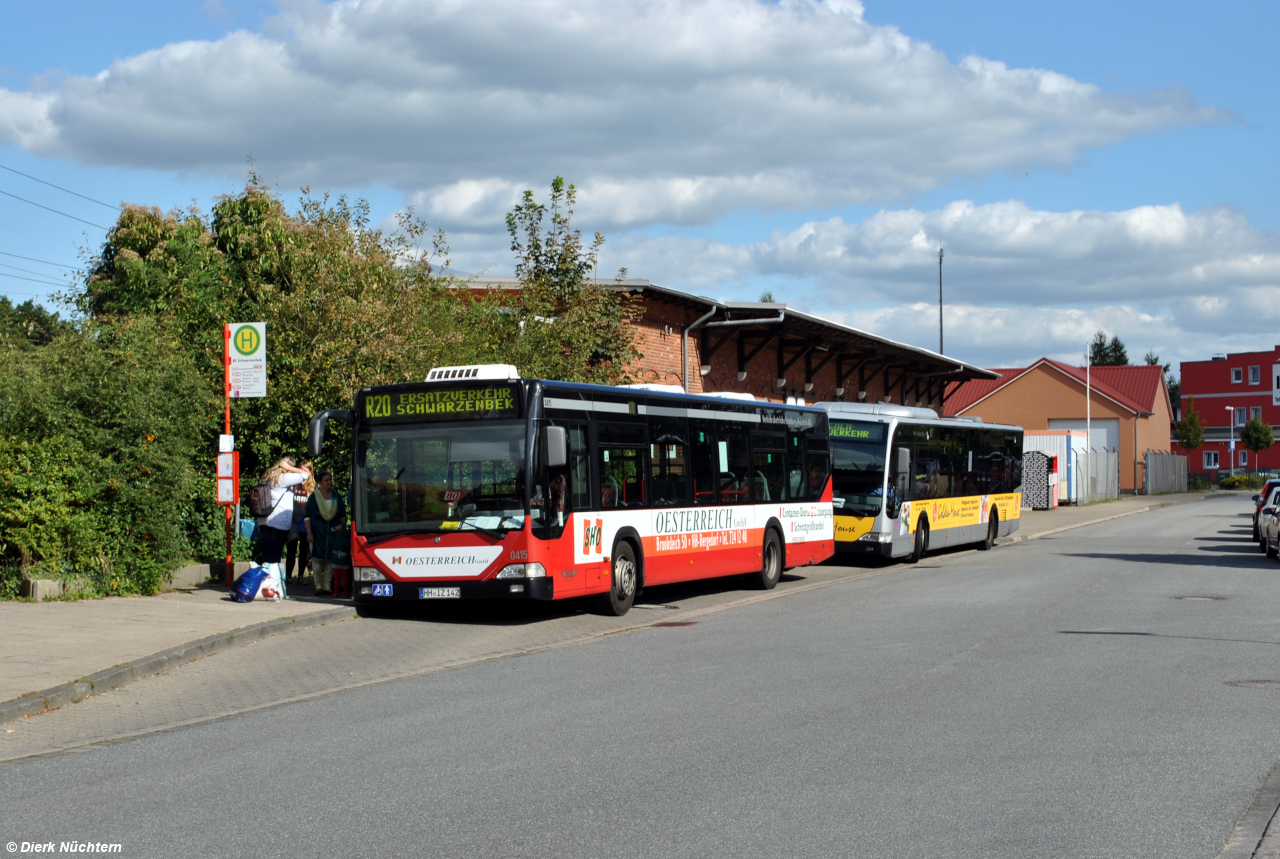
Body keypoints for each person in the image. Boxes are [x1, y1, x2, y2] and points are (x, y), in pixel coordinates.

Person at [258, 457, 311, 598]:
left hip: (264, 521)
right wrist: (289, 468)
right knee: (274, 559)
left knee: (267, 556)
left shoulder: (268, 475)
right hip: (278, 523)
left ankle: (264, 586)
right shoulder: (283, 478)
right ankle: (272, 590)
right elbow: (306, 475)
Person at [304, 471, 348, 597]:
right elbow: (307, 516)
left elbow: (343, 516)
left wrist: (342, 526)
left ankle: (327, 586)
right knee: (317, 561)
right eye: (326, 480)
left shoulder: (336, 496)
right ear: (320, 483)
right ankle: (318, 586)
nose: (329, 482)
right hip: (318, 532)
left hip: (333, 533)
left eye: (330, 480)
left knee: (331, 560)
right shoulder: (315, 497)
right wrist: (309, 533)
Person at [284, 465, 315, 586]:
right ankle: (288, 576)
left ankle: (301, 576)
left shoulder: (312, 488)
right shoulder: (294, 485)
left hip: (305, 523)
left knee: (304, 551)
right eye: (301, 469)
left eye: (305, 470)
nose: (302, 473)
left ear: (310, 472)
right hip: (293, 522)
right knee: (291, 549)